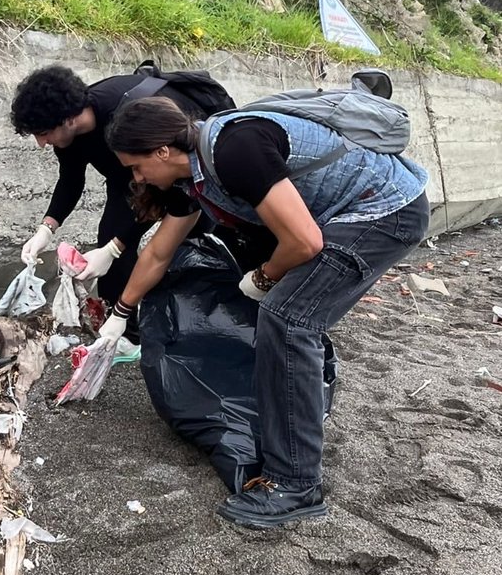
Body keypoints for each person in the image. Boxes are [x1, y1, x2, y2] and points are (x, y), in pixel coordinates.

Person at [101, 95, 430, 528]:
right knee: (285, 317)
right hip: (345, 217)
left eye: (136, 166)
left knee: (289, 319)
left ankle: (296, 486)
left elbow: (305, 243)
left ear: (162, 151)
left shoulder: (235, 150)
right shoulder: (193, 179)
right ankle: (289, 432)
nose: (137, 177)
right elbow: (160, 253)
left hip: (384, 211)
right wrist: (121, 313)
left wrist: (263, 278)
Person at [10, 64, 233, 339]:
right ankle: (123, 333)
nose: (41, 143)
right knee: (109, 238)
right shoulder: (68, 136)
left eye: (43, 134)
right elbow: (70, 180)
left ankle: (196, 326)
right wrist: (46, 228)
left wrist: (115, 247)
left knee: (191, 245)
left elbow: (166, 192)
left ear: (67, 120)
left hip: (185, 172)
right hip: (128, 179)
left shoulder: (129, 113)